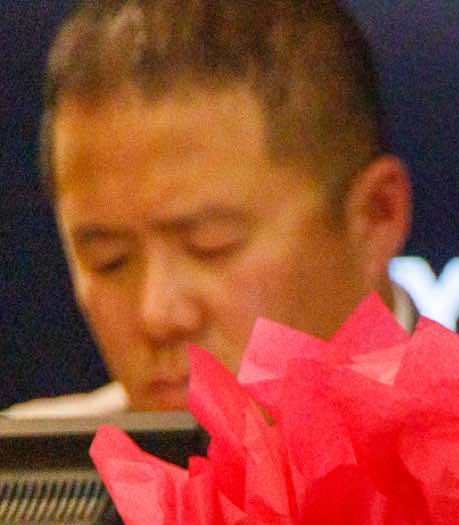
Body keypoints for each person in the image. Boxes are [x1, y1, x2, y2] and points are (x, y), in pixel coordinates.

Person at [6, 0, 413, 419]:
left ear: (376, 216)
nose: (157, 314)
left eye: (210, 246)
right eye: (109, 261)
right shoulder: (19, 455)